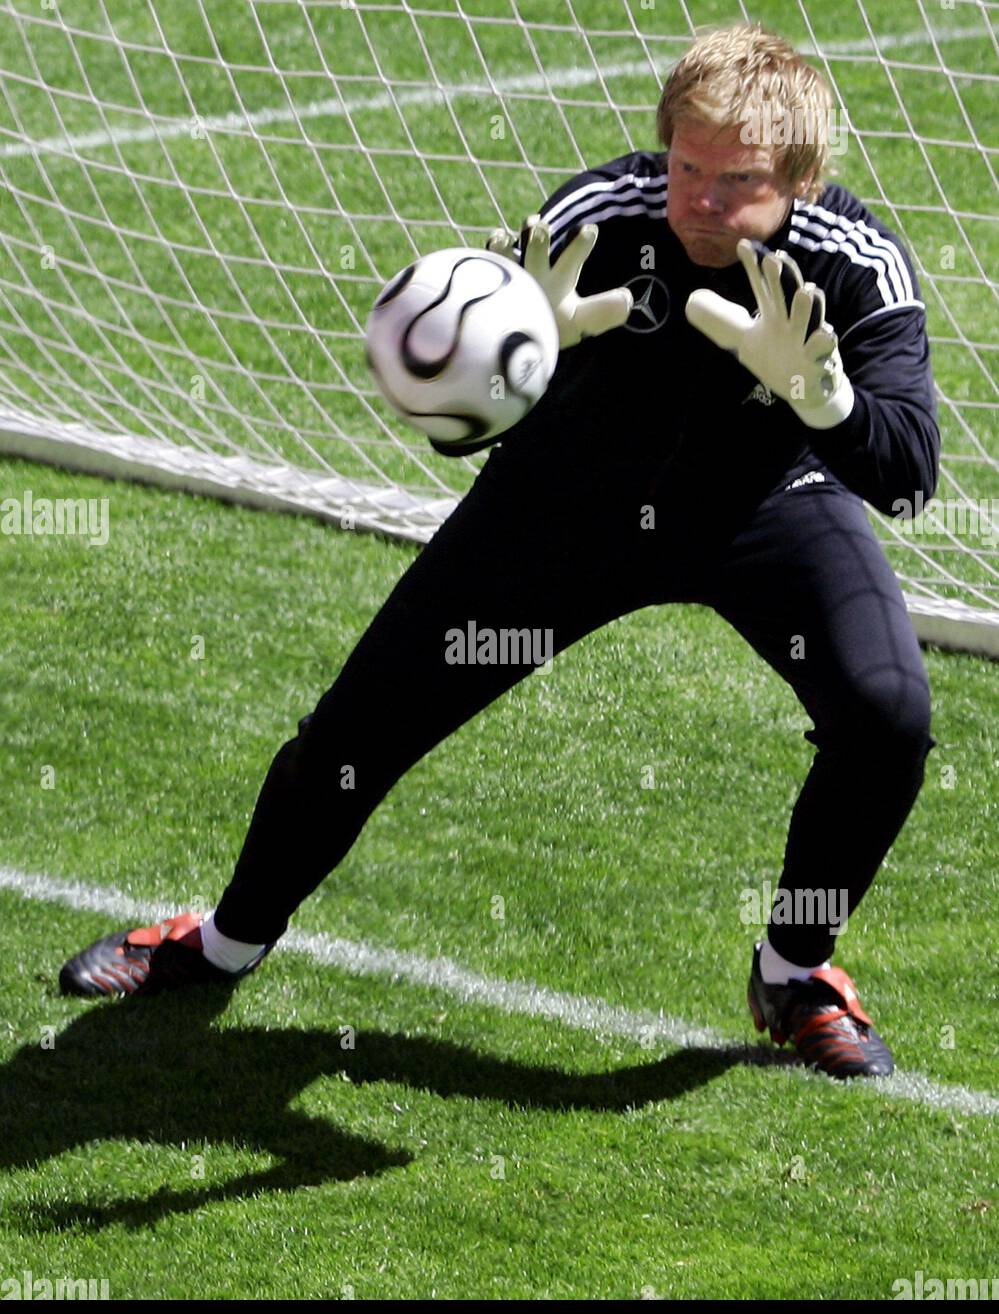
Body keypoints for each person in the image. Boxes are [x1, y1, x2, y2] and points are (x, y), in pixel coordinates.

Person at [60, 22, 939, 1080]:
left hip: (765, 507)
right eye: (686, 167)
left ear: (801, 175)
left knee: (886, 714)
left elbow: (907, 472)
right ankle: (222, 942)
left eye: (737, 179)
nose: (701, 199)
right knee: (355, 732)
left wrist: (827, 399)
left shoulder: (855, 262)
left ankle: (796, 969)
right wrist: (527, 360)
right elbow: (447, 413)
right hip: (566, 504)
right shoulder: (593, 219)